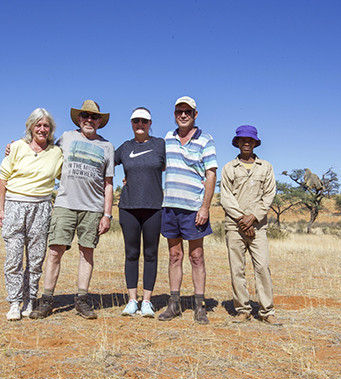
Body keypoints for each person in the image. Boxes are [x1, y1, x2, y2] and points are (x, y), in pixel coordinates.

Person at [29, 100, 115, 320]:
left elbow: (108, 183)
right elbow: (40, 145)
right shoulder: (66, 137)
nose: (89, 120)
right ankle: (47, 299)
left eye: (94, 117)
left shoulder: (107, 147)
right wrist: (17, 144)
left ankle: (82, 300)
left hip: (93, 209)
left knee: (87, 252)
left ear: (99, 121)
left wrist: (107, 214)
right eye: (85, 115)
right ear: (79, 119)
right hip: (65, 204)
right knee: (55, 251)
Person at [0, 108, 63, 321]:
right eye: (38, 125)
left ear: (51, 130)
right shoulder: (16, 147)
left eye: (46, 126)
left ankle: (30, 299)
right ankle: (14, 303)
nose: (42, 129)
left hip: (41, 207)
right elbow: (3, 180)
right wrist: (1, 210)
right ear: (31, 127)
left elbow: (66, 177)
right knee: (14, 257)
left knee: (36, 258)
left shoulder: (56, 153)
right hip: (15, 205)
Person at [158, 96, 217, 325]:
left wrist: (205, 207)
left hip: (194, 208)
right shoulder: (168, 138)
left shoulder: (206, 139)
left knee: (196, 256)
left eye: (187, 112)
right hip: (170, 205)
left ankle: (199, 305)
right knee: (174, 256)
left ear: (195, 115)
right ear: (174, 114)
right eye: (179, 111)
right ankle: (174, 304)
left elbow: (211, 174)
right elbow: (161, 165)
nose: (183, 115)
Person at [219, 125, 281, 326]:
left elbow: (269, 195)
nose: (246, 142)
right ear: (236, 142)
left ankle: (267, 310)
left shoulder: (266, 167)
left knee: (262, 266)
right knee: (237, 268)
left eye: (250, 140)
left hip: (259, 226)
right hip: (234, 226)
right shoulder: (229, 168)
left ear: (255, 143)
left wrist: (253, 217)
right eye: (242, 139)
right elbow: (226, 197)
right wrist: (241, 219)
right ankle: (243, 309)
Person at [115, 107, 166, 318]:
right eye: (136, 121)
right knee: (132, 253)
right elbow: (105, 161)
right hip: (128, 207)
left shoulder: (160, 144)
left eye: (144, 121)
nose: (140, 124)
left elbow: (176, 161)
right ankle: (132, 301)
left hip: (154, 207)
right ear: (131, 123)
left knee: (151, 254)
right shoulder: (125, 148)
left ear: (150, 123)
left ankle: (147, 302)